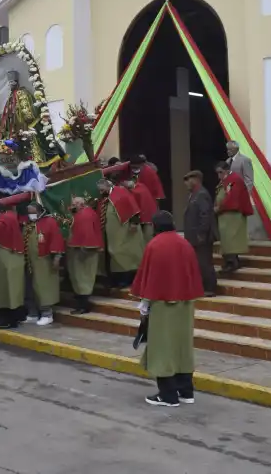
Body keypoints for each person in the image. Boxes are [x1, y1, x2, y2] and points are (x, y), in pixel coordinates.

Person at [130, 211, 203, 407]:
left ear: (155, 226)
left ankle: (168, 395)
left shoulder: (155, 245)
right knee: (182, 346)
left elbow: (150, 277)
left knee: (162, 348)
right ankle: (186, 391)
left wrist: (144, 305)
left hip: (162, 303)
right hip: (186, 303)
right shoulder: (184, 244)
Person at [0, 202, 26, 329]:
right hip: (15, 258)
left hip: (5, 260)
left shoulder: (4, 219)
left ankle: (9, 320)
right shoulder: (11, 216)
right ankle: (17, 317)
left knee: (5, 289)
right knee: (14, 289)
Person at [97, 178, 144, 288]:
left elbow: (133, 207)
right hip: (113, 233)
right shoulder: (104, 198)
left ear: (108, 186)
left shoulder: (121, 192)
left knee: (126, 253)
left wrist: (134, 222)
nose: (100, 192)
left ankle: (128, 278)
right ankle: (117, 279)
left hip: (126, 230)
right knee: (115, 253)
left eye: (102, 190)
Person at [23, 202, 65, 326]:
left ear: (40, 211)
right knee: (29, 287)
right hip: (29, 261)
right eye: (29, 212)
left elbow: (57, 239)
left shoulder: (49, 222)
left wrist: (57, 257)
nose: (31, 215)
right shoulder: (28, 224)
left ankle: (47, 314)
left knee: (43, 287)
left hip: (44, 261)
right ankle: (33, 313)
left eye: (33, 212)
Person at [214, 161, 253, 274]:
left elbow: (232, 198)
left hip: (232, 215)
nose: (219, 175)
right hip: (225, 215)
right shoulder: (225, 181)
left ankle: (232, 263)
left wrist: (219, 208)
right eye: (217, 173)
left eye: (220, 172)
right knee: (227, 239)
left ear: (227, 170)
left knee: (231, 239)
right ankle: (229, 261)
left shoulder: (234, 180)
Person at [66, 197, 103, 314]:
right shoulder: (81, 213)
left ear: (80, 204)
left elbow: (87, 233)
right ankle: (80, 303)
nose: (72, 206)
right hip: (78, 250)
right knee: (79, 277)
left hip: (84, 251)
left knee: (83, 278)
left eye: (74, 204)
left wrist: (84, 248)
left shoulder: (85, 214)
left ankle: (83, 306)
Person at [184, 171, 218, 296]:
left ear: (196, 179)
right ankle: (202, 286)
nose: (186, 183)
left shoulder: (202, 194)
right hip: (194, 236)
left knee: (204, 262)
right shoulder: (193, 195)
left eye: (188, 179)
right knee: (198, 263)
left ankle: (210, 288)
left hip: (201, 236)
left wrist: (201, 233)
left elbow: (205, 216)